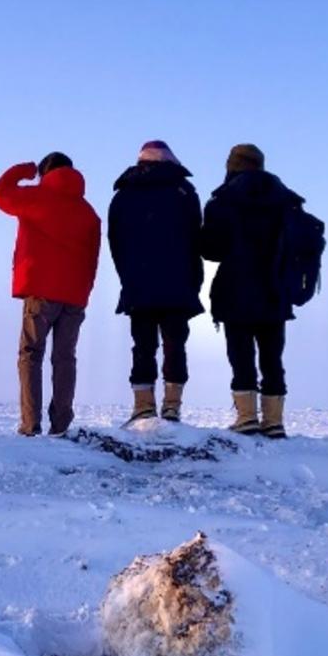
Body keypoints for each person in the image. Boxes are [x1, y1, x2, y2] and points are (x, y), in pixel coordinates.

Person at [200, 144, 307, 438]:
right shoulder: (286, 199)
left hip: (236, 289)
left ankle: (247, 417)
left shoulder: (222, 201)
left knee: (241, 355)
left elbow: (211, 250)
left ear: (231, 166)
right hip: (275, 290)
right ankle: (274, 421)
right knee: (273, 358)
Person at [0, 153, 101, 437]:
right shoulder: (88, 212)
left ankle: (30, 425)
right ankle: (61, 425)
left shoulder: (37, 197)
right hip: (75, 295)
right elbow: (93, 258)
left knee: (31, 354)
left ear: (46, 172)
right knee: (65, 358)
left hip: (41, 292)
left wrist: (24, 169)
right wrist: (85, 293)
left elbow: (0, 194)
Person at [107, 140, 204, 423]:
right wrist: (193, 280)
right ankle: (172, 407)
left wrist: (128, 274)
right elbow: (195, 238)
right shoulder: (184, 192)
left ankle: (143, 407)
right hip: (178, 282)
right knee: (176, 344)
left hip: (139, 282)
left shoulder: (124, 194)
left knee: (142, 345)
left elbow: (116, 240)